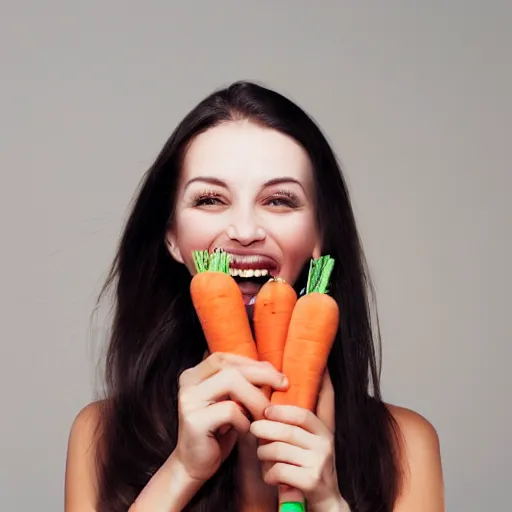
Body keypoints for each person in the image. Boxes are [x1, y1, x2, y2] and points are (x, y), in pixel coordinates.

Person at [64, 81, 445, 512]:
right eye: (210, 199)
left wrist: (327, 501)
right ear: (172, 236)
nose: (245, 231)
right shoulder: (101, 434)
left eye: (280, 201)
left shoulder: (406, 446)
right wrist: (183, 471)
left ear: (319, 236)